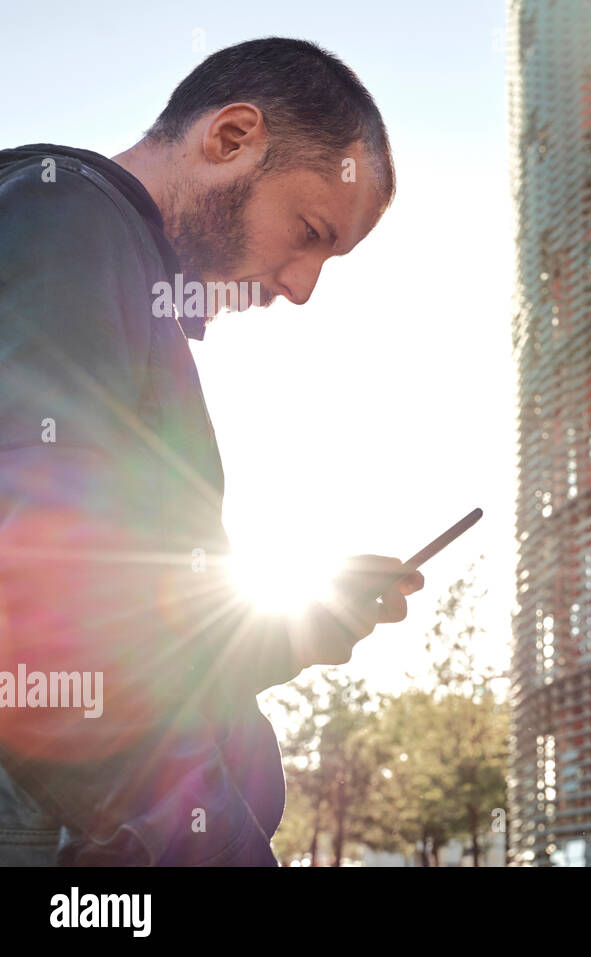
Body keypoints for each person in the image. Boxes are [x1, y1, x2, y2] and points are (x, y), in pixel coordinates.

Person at [0, 37, 423, 865]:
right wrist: (211, 841)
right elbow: (36, 608)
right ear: (230, 139)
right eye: (309, 232)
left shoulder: (104, 259)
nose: (302, 288)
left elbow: (136, 636)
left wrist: (300, 622)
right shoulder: (68, 225)